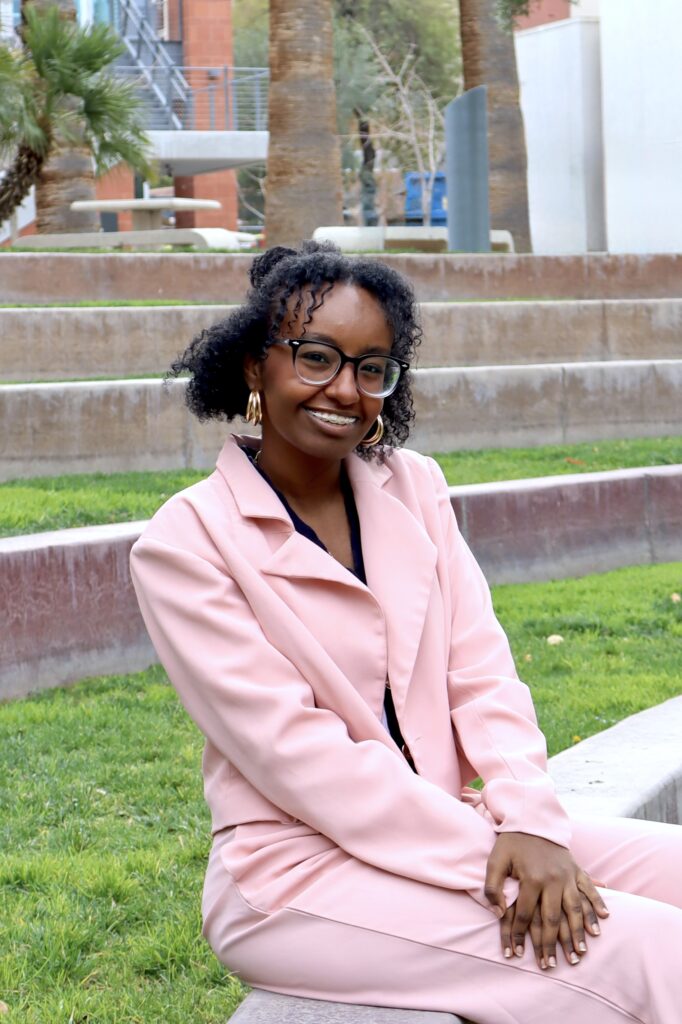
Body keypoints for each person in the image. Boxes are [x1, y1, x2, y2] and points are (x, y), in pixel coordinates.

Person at [130, 241, 682, 1024]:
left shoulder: (413, 487)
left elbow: (482, 675)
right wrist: (498, 859)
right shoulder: (187, 544)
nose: (343, 389)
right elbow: (304, 762)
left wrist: (530, 822)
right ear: (256, 365)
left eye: (371, 368)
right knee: (647, 947)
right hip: (298, 879)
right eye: (315, 357)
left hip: (457, 825)